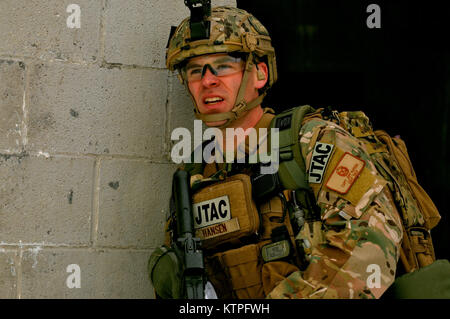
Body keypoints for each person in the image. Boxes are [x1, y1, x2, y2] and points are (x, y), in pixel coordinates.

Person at [148, 5, 436, 299]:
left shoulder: (311, 141)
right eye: (195, 70)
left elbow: (370, 248)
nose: (207, 80)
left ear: (259, 73)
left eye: (222, 66)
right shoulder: (193, 176)